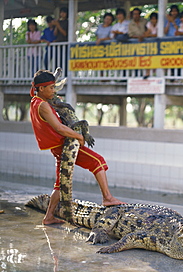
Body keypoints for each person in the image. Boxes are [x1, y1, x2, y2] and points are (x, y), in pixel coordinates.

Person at [29, 70, 125, 225]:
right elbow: (59, 128)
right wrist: (80, 136)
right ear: (41, 89)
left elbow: (36, 87)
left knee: (60, 184)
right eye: (51, 88)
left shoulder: (34, 100)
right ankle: (107, 198)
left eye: (54, 87)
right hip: (63, 145)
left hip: (55, 147)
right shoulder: (44, 106)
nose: (54, 91)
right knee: (98, 161)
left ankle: (48, 217)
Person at [52, 7, 69, 72]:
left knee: (64, 60)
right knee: (57, 60)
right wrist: (56, 25)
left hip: (65, 44)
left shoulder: (67, 22)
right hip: (58, 44)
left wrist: (58, 25)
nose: (62, 14)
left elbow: (65, 33)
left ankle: (65, 75)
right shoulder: (58, 22)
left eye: (64, 12)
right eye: (61, 12)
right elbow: (55, 34)